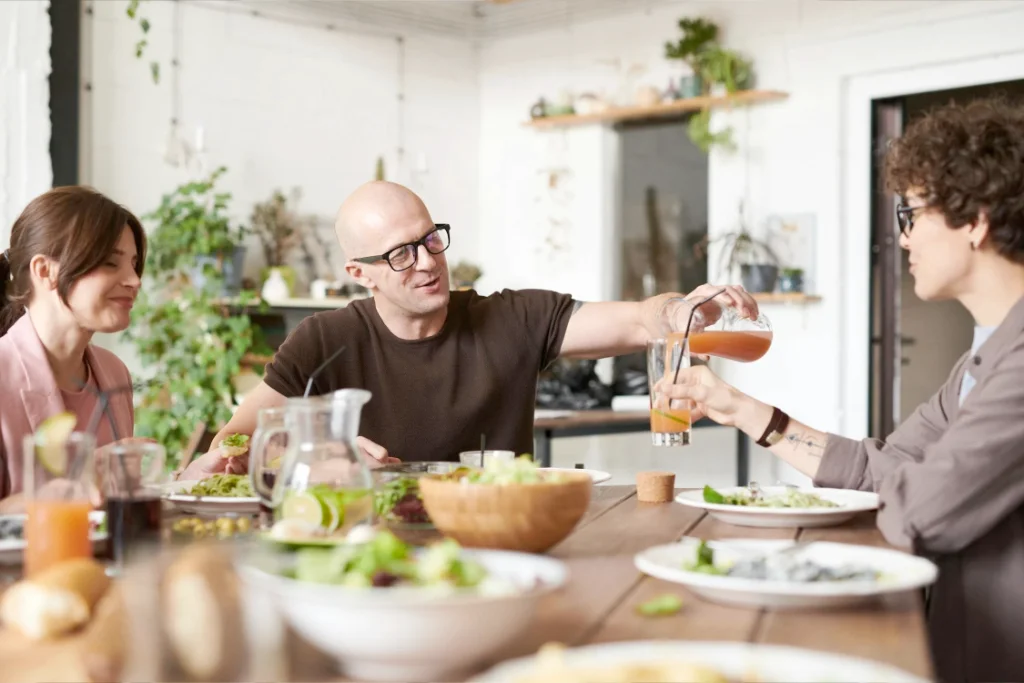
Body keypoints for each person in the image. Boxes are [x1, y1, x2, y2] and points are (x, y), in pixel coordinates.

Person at [657, 97, 1024, 683]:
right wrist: (743, 410)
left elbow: (922, 510)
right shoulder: (984, 356)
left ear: (975, 219)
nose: (902, 240)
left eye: (911, 215)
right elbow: (891, 466)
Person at [182, 180, 758, 476]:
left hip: (503, 541)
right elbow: (231, 441)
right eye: (401, 255)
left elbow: (639, 318)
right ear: (361, 275)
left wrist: (680, 310)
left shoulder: (513, 318)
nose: (429, 261)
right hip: (368, 547)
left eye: (431, 239)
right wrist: (313, 450)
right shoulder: (323, 340)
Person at [0, 187, 149, 508]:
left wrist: (189, 477)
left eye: (134, 264)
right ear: (45, 271)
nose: (134, 280)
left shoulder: (113, 371)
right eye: (111, 262)